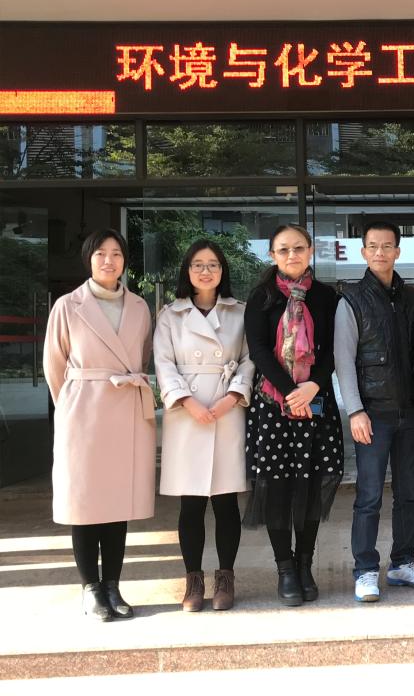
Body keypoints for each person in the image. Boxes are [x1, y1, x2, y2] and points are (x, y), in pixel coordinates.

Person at [43, 228, 156, 621]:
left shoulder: (139, 307)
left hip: (125, 408)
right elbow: (54, 365)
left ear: (125, 261)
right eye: (100, 254)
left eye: (116, 253)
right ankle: (90, 587)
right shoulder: (67, 306)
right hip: (83, 411)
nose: (109, 261)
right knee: (85, 501)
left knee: (116, 502)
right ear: (88, 259)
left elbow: (142, 357)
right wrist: (72, 405)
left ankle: (113, 585)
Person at [243, 224, 344, 606]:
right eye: (283, 249)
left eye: (298, 248)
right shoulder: (262, 297)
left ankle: (305, 564)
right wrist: (290, 391)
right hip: (274, 407)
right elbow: (258, 350)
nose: (292, 255)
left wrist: (312, 386)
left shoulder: (326, 297)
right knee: (278, 488)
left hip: (316, 403)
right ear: (272, 255)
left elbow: (334, 350)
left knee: (311, 486)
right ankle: (285, 568)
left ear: (310, 251)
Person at [335, 221, 414, 603]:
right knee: (369, 495)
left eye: (387, 246)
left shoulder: (411, 297)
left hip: (410, 411)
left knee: (408, 493)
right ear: (363, 252)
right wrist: (355, 411)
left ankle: (403, 562)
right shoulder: (351, 299)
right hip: (372, 414)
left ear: (397, 251)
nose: (380, 252)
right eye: (373, 246)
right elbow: (344, 361)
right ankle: (365, 569)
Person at [154, 239, 254, 612]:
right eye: (198, 264)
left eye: (213, 264)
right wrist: (187, 400)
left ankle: (225, 577)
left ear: (222, 270)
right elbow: (163, 363)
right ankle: (193, 580)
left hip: (227, 410)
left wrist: (233, 396)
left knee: (226, 501)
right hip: (187, 414)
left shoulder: (239, 312)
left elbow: (250, 359)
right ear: (188, 270)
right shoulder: (170, 315)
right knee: (191, 503)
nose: (205, 271)